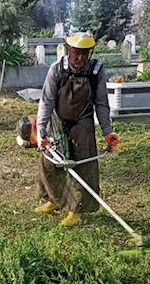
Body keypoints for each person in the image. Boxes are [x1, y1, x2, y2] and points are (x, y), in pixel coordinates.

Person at [34, 32, 120, 227]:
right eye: (76, 53)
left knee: (82, 165)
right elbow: (46, 102)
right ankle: (54, 200)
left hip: (83, 123)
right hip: (57, 122)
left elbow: (102, 103)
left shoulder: (96, 71)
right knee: (50, 162)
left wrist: (108, 131)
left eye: (84, 53)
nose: (80, 58)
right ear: (68, 50)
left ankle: (76, 209)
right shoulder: (56, 70)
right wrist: (41, 131)